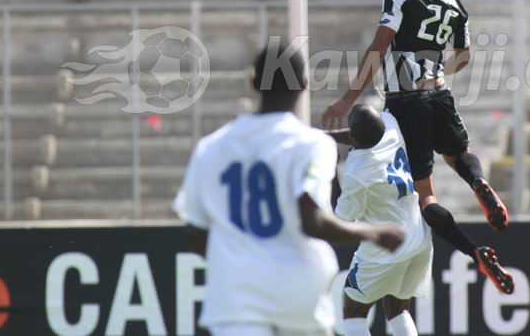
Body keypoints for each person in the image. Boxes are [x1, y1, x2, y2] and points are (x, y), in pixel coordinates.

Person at [322, 0, 514, 294]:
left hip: (406, 100)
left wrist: (347, 100)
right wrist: (437, 71)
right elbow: (464, 56)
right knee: (460, 155)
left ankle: (476, 252)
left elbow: (379, 47)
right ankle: (478, 184)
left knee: (426, 196)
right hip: (439, 93)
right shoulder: (456, 4)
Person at [173, 40, 405, 336]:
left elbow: (195, 231)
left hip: (233, 304)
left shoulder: (210, 148)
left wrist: (237, 263)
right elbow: (312, 220)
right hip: (296, 298)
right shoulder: (312, 144)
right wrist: (374, 233)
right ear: (303, 84)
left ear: (253, 82)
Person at [327, 104, 432, 336]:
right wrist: (327, 136)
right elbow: (365, 130)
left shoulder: (357, 173)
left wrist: (332, 169)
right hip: (418, 238)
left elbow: (341, 216)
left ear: (354, 136)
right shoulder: (391, 125)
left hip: (385, 249)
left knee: (353, 310)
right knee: (397, 308)